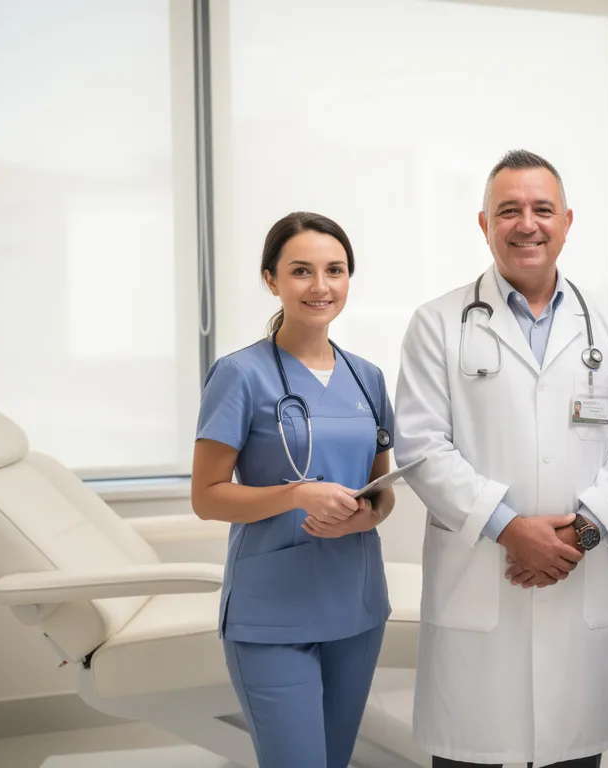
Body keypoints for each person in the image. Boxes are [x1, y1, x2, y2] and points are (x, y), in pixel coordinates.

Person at [394, 149, 608, 767]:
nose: (527, 224)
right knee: (473, 753)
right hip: (479, 585)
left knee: (572, 755)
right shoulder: (437, 323)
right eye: (509, 210)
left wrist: (582, 533)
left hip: (580, 579)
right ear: (484, 223)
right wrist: (511, 530)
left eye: (542, 209)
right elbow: (421, 446)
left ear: (567, 220)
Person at [190, 211, 395, 767]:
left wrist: (365, 515)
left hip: (356, 604)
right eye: (301, 270)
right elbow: (206, 496)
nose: (321, 286)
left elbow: (383, 491)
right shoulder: (239, 374)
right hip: (272, 614)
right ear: (270, 279)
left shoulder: (366, 377)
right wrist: (296, 494)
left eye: (336, 270)